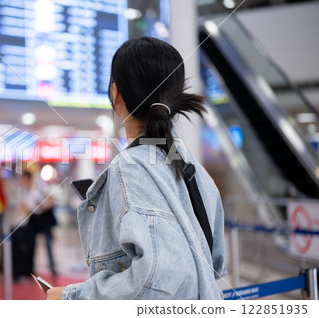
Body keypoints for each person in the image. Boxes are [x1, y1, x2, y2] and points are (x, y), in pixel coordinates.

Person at [47, 37, 226, 300]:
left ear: (115, 93)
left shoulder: (130, 168)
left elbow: (157, 281)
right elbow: (215, 266)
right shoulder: (194, 168)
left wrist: (72, 298)